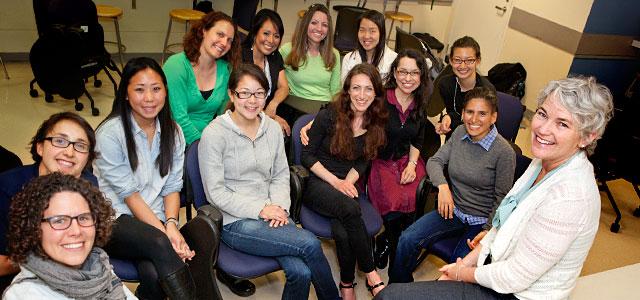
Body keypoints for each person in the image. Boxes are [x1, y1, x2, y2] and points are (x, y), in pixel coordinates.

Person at [377, 76, 614, 300]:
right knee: (408, 242)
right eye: (542, 114)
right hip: (469, 225)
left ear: (587, 137)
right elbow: (509, 215)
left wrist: (461, 271)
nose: (543, 129)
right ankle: (400, 284)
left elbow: (512, 273)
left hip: (515, 291)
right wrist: (444, 188)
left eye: (562, 124)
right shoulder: (540, 163)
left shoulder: (570, 197)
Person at [198, 63, 340, 300]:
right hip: (236, 221)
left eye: (259, 93)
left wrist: (280, 208)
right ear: (232, 94)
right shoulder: (214, 134)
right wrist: (262, 210)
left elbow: (280, 175)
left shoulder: (273, 129)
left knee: (301, 271)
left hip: (274, 213)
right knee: (310, 244)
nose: (252, 100)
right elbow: (216, 193)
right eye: (244, 93)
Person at [389, 87, 515, 284]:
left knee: (456, 272)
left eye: (482, 113)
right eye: (469, 112)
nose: (474, 119)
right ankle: (398, 290)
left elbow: (503, 200)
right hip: (452, 211)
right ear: (463, 113)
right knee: (406, 239)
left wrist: (489, 231)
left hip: (481, 223)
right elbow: (434, 161)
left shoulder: (504, 153)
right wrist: (443, 186)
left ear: (493, 117)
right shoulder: (459, 132)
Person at [94, 57, 196, 299]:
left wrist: (171, 223)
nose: (149, 98)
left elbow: (172, 186)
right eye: (139, 89)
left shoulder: (173, 131)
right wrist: (165, 234)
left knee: (153, 275)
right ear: (126, 94)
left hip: (154, 221)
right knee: (161, 246)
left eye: (156, 89)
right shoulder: (110, 133)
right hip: (114, 219)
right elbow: (130, 196)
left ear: (165, 91)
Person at [302, 64, 387, 299]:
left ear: (376, 93)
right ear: (347, 90)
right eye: (356, 88)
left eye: (368, 89)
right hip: (318, 181)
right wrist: (336, 182)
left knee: (344, 228)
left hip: (345, 183)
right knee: (351, 208)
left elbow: (364, 160)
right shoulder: (329, 115)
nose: (362, 95)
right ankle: (371, 273)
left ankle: (347, 284)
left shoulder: (375, 121)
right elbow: (306, 156)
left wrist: (348, 180)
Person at [0, 112, 97, 293]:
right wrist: (51, 252)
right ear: (40, 148)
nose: (69, 152)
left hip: (72, 276)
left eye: (80, 146)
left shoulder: (89, 184)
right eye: (60, 141)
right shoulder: (7, 188)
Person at [4, 173, 135, 299]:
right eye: (59, 220)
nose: (76, 231)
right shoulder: (24, 294)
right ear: (32, 228)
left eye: (83, 218)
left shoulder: (99, 266)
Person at [368, 49, 429, 270]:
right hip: (381, 162)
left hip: (407, 160)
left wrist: (412, 165)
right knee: (394, 205)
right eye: (403, 71)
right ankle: (397, 261)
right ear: (394, 72)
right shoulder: (380, 98)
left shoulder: (421, 102)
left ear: (421, 76)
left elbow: (418, 141)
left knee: (416, 200)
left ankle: (388, 243)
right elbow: (351, 116)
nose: (407, 78)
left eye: (414, 73)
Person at [163, 11, 241, 145]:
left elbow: (225, 115)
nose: (224, 43)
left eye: (229, 40)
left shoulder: (226, 70)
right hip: (175, 138)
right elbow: (178, 118)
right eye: (220, 34)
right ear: (204, 31)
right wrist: (204, 146)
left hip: (209, 138)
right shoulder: (176, 65)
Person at [279, 4, 341, 123]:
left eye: (324, 25)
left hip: (323, 111)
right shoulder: (287, 50)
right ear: (305, 24)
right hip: (295, 107)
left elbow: (336, 91)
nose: (319, 28)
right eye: (314, 23)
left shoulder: (334, 54)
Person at [431, 36, 495, 138]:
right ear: (451, 61)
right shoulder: (446, 84)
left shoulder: (486, 90)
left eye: (469, 60)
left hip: (477, 139)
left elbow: (480, 126)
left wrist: (450, 119)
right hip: (454, 138)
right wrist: (445, 121)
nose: (462, 66)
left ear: (478, 61)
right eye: (457, 60)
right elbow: (453, 112)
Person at [241, 8, 290, 136]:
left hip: (263, 115)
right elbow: (241, 99)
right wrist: (267, 118)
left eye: (276, 36)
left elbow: (284, 87)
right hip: (242, 116)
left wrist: (272, 105)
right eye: (266, 33)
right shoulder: (240, 55)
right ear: (255, 32)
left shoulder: (275, 56)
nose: (271, 40)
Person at [341, 10, 397, 83]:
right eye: (362, 30)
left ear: (381, 33)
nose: (366, 36)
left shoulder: (394, 60)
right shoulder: (349, 59)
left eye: (372, 31)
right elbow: (345, 90)